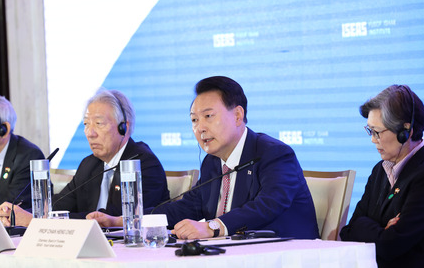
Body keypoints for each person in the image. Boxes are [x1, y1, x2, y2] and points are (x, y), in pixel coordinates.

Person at [89, 76, 319, 240]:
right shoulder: (212, 162)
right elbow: (184, 208)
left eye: (208, 116)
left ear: (238, 115)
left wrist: (211, 227)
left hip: (286, 259)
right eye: (194, 120)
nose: (200, 128)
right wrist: (122, 221)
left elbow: (267, 205)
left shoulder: (273, 154)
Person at [0, 89, 170, 226]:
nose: (89, 133)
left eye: (99, 124)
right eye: (86, 124)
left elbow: (112, 218)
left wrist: (39, 221)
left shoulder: (143, 163)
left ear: (123, 127)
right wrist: (21, 214)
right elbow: (59, 205)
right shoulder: (89, 164)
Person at [340, 85, 424, 268]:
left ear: (406, 131)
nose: (373, 140)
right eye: (369, 131)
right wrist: (380, 230)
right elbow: (350, 230)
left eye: (377, 132)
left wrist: (370, 229)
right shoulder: (380, 170)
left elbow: (392, 245)